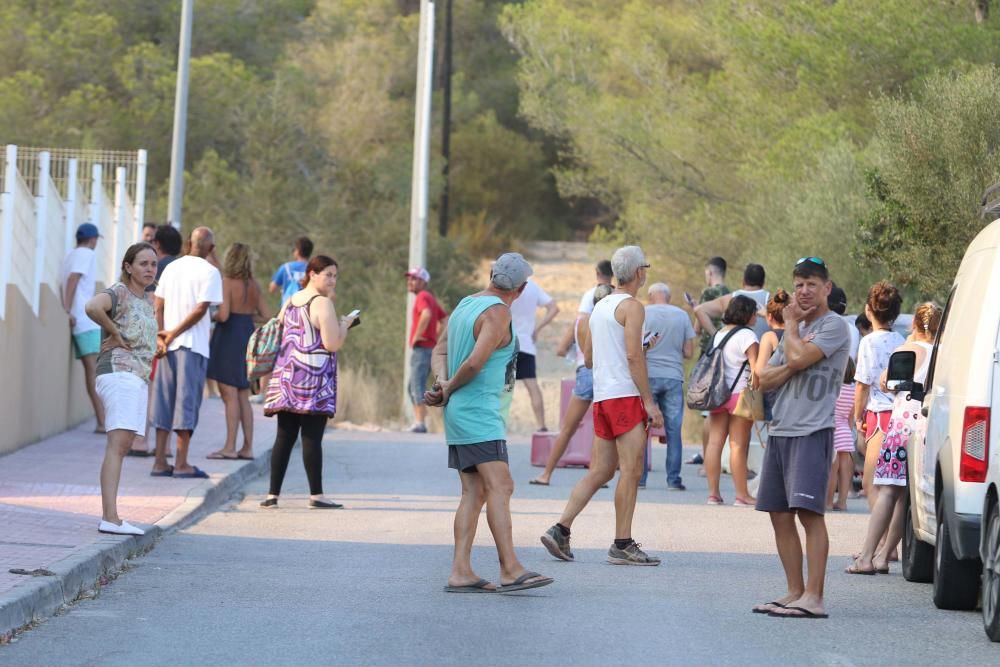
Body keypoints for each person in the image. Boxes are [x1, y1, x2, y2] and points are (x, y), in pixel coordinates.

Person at [424, 252, 554, 593]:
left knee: (474, 491)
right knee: (502, 485)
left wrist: (441, 383)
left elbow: (440, 350)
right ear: (523, 288)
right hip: (479, 414)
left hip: (461, 412)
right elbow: (475, 362)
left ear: (492, 275)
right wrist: (449, 385)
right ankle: (509, 568)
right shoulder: (498, 314)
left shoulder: (466, 304)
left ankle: (460, 571)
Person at [541, 245, 665, 566]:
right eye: (645, 269)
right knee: (631, 470)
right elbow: (633, 356)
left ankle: (560, 528)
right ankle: (622, 544)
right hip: (625, 397)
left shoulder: (600, 307)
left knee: (601, 470)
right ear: (638, 273)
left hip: (603, 397)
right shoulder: (633, 307)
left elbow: (591, 357)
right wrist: (649, 402)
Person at [753, 256, 850, 619]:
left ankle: (815, 596)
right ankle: (794, 591)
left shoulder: (834, 326)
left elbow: (794, 357)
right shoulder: (798, 330)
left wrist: (791, 330)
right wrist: (793, 360)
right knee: (778, 514)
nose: (804, 291)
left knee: (808, 514)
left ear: (826, 287)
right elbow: (764, 378)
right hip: (781, 429)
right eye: (798, 285)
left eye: (811, 284)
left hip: (812, 430)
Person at [846, 303, 941, 575]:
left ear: (914, 325)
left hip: (900, 427)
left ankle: (867, 557)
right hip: (927, 429)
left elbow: (886, 382)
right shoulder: (943, 354)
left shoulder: (906, 350)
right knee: (906, 498)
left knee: (888, 490)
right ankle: (885, 553)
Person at [260, 255, 356, 509]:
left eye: (335, 275)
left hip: (288, 377)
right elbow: (332, 343)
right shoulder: (322, 303)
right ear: (312, 273)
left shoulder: (292, 300)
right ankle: (316, 495)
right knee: (312, 437)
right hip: (314, 381)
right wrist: (345, 325)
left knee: (284, 436)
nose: (333, 280)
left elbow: (281, 328)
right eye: (328, 274)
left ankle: (272, 495)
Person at [84, 242, 159, 535]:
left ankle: (112, 516)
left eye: (153, 264)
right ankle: (110, 518)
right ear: (128, 267)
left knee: (124, 443)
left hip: (137, 376)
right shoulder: (120, 292)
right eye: (143, 263)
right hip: (119, 372)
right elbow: (92, 306)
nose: (149, 269)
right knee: (118, 444)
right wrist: (113, 331)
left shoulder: (144, 300)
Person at [149, 227, 223, 478]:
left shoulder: (171, 267)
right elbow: (202, 309)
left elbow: (158, 304)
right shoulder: (211, 272)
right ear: (211, 249)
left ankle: (160, 461)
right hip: (192, 346)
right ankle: (181, 463)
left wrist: (162, 335)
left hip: (168, 346)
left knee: (164, 402)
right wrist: (173, 334)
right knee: (186, 404)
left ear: (188, 244)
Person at [529, 283, 613, 486]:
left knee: (567, 428)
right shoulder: (612, 321)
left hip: (584, 371)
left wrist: (574, 353)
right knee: (601, 429)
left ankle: (546, 474)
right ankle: (597, 475)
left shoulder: (580, 322)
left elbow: (560, 349)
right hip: (605, 374)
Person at [205, 244, 270, 460]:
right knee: (243, 393)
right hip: (246, 336)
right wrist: (248, 318)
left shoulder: (227, 283)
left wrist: (209, 315)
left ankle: (229, 447)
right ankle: (247, 447)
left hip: (228, 338)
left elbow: (223, 316)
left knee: (229, 395)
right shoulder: (254, 285)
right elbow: (268, 316)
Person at [853, 281, 904, 511]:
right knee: (893, 487)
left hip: (879, 417)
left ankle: (884, 545)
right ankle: (889, 545)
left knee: (870, 482)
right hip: (900, 416)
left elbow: (862, 385)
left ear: (868, 310)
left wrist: (856, 417)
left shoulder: (868, 342)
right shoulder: (902, 341)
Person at [639, 282, 695, 490]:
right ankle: (673, 480)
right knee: (673, 430)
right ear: (669, 297)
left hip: (648, 376)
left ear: (650, 296)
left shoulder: (642, 313)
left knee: (642, 430)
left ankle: (640, 478)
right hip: (673, 376)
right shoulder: (681, 315)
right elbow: (689, 352)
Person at [704, 296, 760, 506]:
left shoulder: (720, 333)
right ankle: (742, 495)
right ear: (747, 314)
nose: (756, 316)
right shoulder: (748, 335)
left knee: (714, 443)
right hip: (741, 396)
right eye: (754, 312)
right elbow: (756, 370)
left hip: (718, 394)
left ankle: (713, 494)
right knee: (738, 445)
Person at [60, 223, 106, 433]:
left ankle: (101, 420)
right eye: (96, 239)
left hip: (81, 318)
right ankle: (102, 421)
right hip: (84, 320)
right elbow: (73, 279)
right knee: (94, 371)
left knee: (92, 370)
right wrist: (68, 309)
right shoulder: (86, 254)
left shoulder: (70, 254)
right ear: (92, 239)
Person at [688, 256, 730, 467]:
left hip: (709, 351)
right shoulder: (731, 293)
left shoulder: (709, 293)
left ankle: (707, 459)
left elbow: (697, 328)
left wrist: (696, 309)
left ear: (711, 273)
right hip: (730, 352)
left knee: (709, 411)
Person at [510, 278, 560, 431]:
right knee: (532, 386)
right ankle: (541, 425)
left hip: (507, 344)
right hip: (526, 343)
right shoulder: (532, 286)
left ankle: (493, 426)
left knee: (501, 388)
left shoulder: (506, 284)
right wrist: (537, 329)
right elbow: (553, 308)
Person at [405, 267, 448, 433]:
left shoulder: (422, 296)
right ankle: (421, 420)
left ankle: (420, 422)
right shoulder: (430, 297)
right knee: (412, 386)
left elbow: (427, 314)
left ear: (424, 282)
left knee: (416, 385)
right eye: (409, 278)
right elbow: (444, 319)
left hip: (422, 348)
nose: (410, 281)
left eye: (414, 279)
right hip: (429, 348)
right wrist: (436, 337)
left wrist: (417, 335)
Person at [694, 263, 769, 340]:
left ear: (743, 281)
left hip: (733, 350)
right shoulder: (770, 300)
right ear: (763, 283)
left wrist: (716, 336)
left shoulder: (730, 299)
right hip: (762, 350)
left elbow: (699, 310)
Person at [755, 289, 789, 423]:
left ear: (769, 317)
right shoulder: (797, 335)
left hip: (773, 395)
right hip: (793, 393)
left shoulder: (769, 337)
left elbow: (760, 370)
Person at [827, 358, 856, 512]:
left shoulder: (833, 388)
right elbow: (851, 416)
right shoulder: (853, 389)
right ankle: (842, 501)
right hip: (846, 431)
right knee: (845, 469)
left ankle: (828, 501)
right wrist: (849, 432)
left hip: (833, 430)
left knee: (833, 469)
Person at [269, 236, 313, 306]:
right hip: (307, 309)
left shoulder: (286, 267)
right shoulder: (314, 269)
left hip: (288, 309)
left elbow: (272, 288)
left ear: (298, 251)